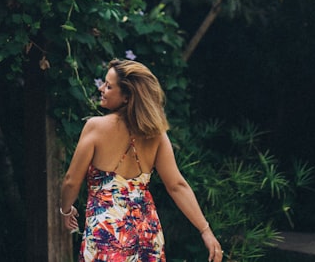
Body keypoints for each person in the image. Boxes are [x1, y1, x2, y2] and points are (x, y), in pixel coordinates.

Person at [59, 58, 223, 261]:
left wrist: (66, 210)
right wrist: (205, 230)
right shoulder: (156, 134)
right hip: (146, 233)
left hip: (109, 233)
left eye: (109, 86)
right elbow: (177, 186)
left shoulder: (96, 127)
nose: (101, 88)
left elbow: (71, 181)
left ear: (127, 96)